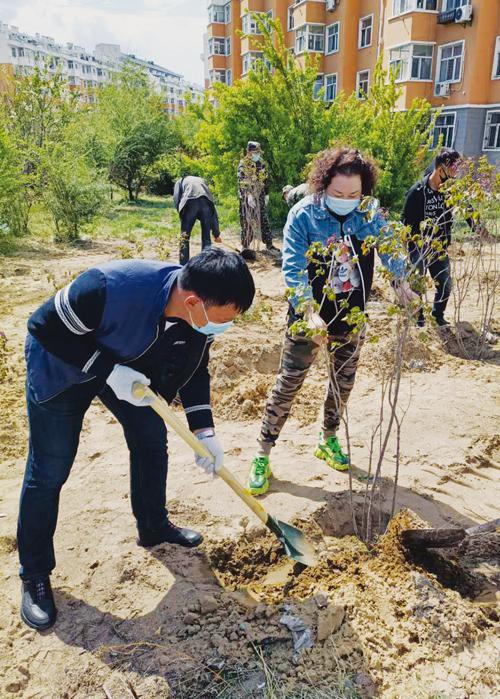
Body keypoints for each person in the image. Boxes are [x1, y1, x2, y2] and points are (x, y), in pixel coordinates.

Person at [18, 248, 255, 630]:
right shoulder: (107, 287)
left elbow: (196, 371)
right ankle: (34, 573)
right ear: (193, 302)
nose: (224, 327)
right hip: (62, 367)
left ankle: (153, 524)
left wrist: (204, 430)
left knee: (150, 438)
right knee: (49, 469)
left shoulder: (197, 317)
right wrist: (107, 371)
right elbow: (41, 325)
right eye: (224, 320)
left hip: (125, 369)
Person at [247, 146, 417, 495]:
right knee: (289, 383)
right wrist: (309, 312)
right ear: (323, 185)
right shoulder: (304, 214)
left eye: (353, 194)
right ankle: (262, 452)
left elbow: (389, 247)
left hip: (351, 314)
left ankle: (328, 439)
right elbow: (293, 268)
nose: (346, 199)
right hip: (308, 316)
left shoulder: (368, 212)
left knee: (343, 382)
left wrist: (402, 281)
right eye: (338, 194)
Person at [402, 148, 464, 327]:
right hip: (419, 246)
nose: (454, 176)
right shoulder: (417, 191)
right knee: (417, 283)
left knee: (445, 282)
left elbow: (468, 211)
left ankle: (437, 316)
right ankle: (418, 319)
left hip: (440, 246)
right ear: (440, 169)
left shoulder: (452, 190)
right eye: (451, 171)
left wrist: (480, 229)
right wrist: (411, 244)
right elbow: (404, 220)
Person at [237, 141, 279, 255]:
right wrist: (248, 195)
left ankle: (269, 245)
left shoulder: (261, 163)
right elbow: (241, 181)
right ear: (249, 152)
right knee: (246, 222)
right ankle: (245, 246)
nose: (257, 154)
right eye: (255, 152)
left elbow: (265, 180)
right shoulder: (243, 164)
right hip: (246, 200)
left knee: (264, 220)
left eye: (258, 152)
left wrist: (266, 194)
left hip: (259, 196)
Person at [173, 175, 221, 265]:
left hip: (189, 203)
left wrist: (182, 216)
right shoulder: (202, 181)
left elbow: (176, 199)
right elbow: (213, 212)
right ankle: (206, 263)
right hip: (206, 203)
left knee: (184, 237)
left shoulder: (179, 182)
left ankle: (183, 265)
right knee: (206, 237)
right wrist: (216, 234)